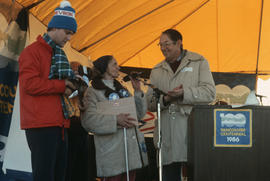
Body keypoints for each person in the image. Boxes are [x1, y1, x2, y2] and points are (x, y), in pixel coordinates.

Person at [146, 29, 216, 181]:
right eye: (160, 45)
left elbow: (210, 93)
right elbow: (150, 104)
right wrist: (166, 99)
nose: (163, 48)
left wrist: (184, 94)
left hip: (191, 134)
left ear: (179, 43)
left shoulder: (199, 62)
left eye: (167, 44)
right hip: (166, 137)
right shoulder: (157, 70)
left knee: (195, 175)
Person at [19, 1, 77, 181]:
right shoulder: (32, 52)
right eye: (67, 33)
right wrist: (62, 85)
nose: (69, 38)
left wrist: (73, 87)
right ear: (56, 27)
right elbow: (29, 84)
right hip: (40, 125)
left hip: (60, 124)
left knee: (59, 175)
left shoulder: (58, 53)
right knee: (44, 175)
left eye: (71, 34)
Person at [81, 55, 148, 181]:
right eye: (114, 64)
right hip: (112, 154)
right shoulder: (92, 92)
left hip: (130, 153)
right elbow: (88, 121)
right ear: (104, 68)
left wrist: (138, 91)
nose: (119, 67)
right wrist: (115, 120)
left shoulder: (122, 89)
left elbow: (138, 115)